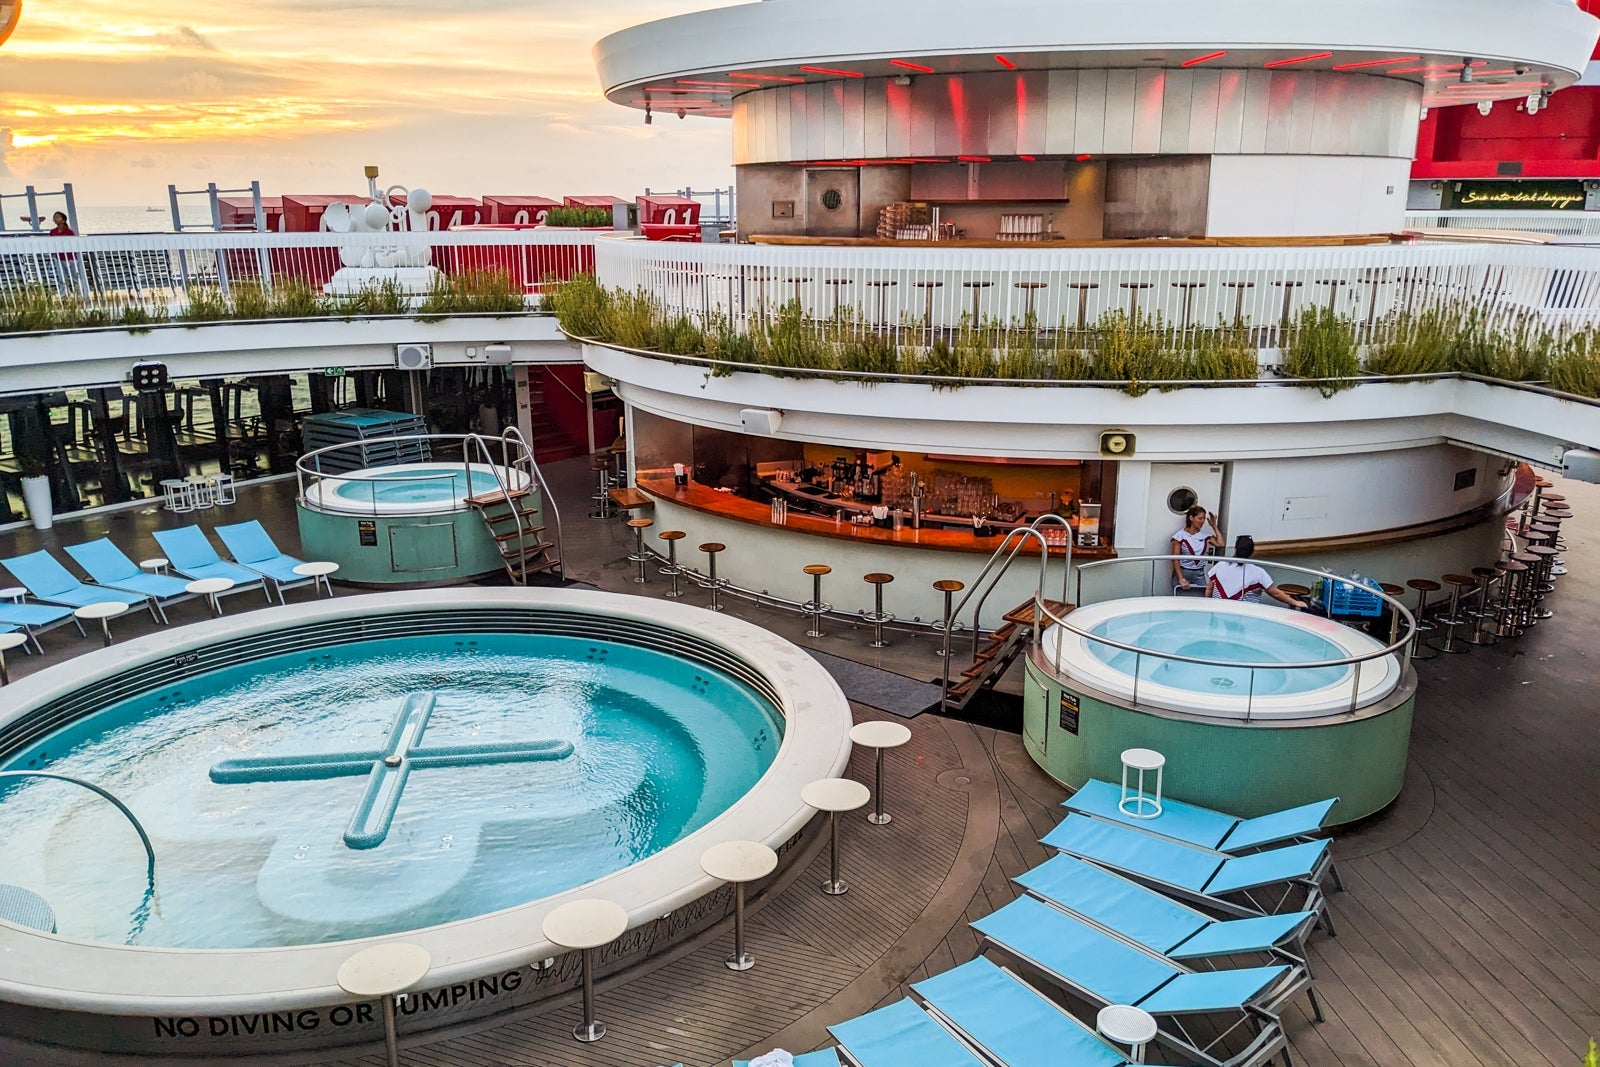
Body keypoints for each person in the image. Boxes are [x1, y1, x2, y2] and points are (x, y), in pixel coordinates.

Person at [1207, 535, 1307, 609]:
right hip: (1246, 618)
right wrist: (1295, 602)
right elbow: (1275, 593)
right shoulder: (1259, 573)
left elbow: (1209, 589)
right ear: (1252, 552)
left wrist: (1208, 607)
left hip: (1218, 613)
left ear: (1235, 549)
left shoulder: (1220, 565)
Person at [1170, 503, 1223, 594]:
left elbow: (1221, 544)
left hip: (1199, 573)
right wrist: (1181, 578)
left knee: (1202, 597)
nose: (1202, 521)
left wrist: (1214, 526)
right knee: (1180, 598)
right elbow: (1175, 559)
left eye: (1203, 519)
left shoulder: (1204, 536)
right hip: (1184, 571)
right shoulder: (1180, 536)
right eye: (1199, 518)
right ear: (1191, 518)